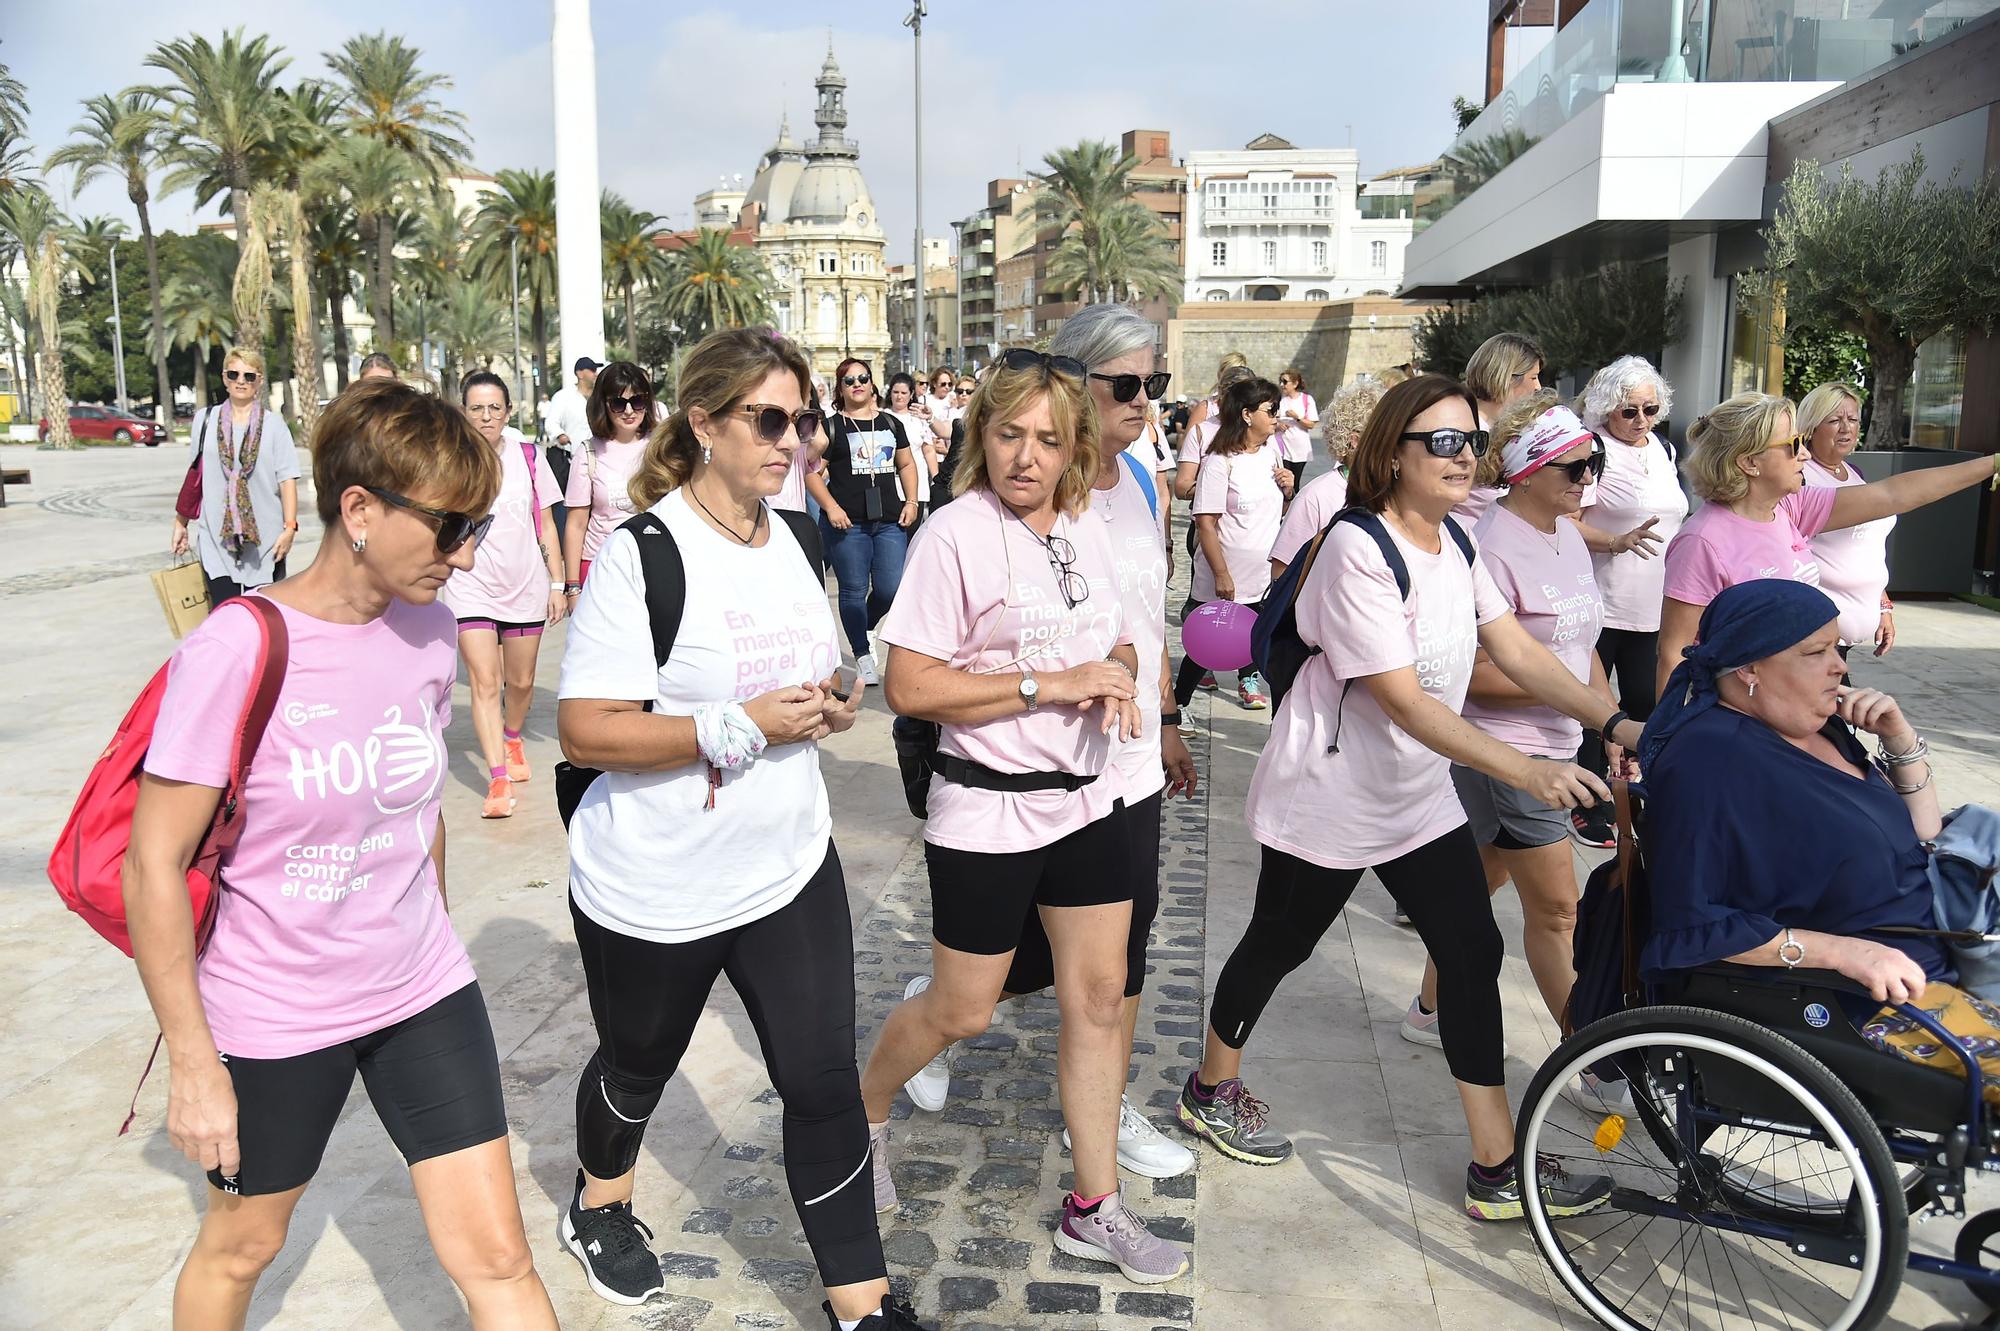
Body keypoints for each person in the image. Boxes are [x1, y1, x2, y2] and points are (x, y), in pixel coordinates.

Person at [127, 378, 559, 1330]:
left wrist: (425, 927)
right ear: (358, 509)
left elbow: (416, 809)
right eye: (451, 527)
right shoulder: (238, 649)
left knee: (498, 1258)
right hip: (276, 1008)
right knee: (243, 1247)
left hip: (421, 990)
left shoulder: (430, 630)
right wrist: (196, 1064)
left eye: (479, 526)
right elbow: (152, 863)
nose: (468, 554)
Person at [1182, 374, 1642, 1223]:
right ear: (1392, 455)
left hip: (1416, 795)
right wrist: (1523, 767)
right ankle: (1211, 1085)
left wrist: (1616, 722)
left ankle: (1497, 1168)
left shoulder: (1457, 544)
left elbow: (1522, 651)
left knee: (1470, 952)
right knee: (1280, 942)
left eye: (1471, 440)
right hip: (1330, 793)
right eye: (1444, 442)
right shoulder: (1359, 545)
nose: (1465, 455)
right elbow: (1404, 698)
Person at [554, 330, 922, 1331]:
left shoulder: (799, 536)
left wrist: (830, 701)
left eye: (803, 421)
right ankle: (598, 1200)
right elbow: (586, 727)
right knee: (638, 1063)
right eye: (769, 419)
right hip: (656, 878)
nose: (795, 440)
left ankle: (862, 1304)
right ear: (705, 421)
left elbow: (811, 669)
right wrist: (739, 724)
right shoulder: (644, 555)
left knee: (818, 1081)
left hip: (786, 861)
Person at [858, 348, 1190, 1284]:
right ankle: (867, 1108)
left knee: (1096, 997)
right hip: (987, 810)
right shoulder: (954, 534)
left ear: (1074, 446)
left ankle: (1096, 1205)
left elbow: (1116, 631)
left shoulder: (1085, 523)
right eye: (1010, 433)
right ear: (982, 436)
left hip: (1088, 800)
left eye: (1048, 437)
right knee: (963, 1009)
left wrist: (1119, 678)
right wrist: (1052, 682)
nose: (1028, 456)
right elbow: (909, 682)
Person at [1636, 578, 2000, 1095]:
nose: (1841, 667)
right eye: (1816, 652)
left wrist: (1899, 740)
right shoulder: (1711, 760)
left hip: (1947, 956)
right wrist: (1847, 954)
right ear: (1750, 668)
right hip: (1863, 1003)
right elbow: (1692, 924)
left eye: (1837, 647)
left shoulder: (1819, 728)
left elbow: (1921, 839)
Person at [1400, 396, 1624, 1110]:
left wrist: (1608, 724)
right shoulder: (1490, 543)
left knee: (1480, 884)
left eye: (1596, 463)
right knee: (1558, 910)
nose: (1589, 477)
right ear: (1527, 472)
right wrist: (1563, 700)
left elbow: (1579, 643)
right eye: (1576, 466)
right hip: (1509, 753)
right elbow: (1481, 670)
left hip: (1560, 743)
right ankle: (1586, 1054)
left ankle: (1427, 1011)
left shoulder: (1565, 529)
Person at [1658, 391, 2000, 699]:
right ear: (1749, 462)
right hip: (1748, 717)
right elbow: (1675, 652)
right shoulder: (1703, 541)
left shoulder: (1789, 509)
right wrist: (1669, 744)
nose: (1805, 454)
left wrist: (1993, 463)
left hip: (1801, 700)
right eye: (1793, 445)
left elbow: (1894, 494)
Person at [1566, 355, 1686, 846]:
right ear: (1605, 410)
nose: (1641, 420)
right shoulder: (1592, 451)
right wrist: (1614, 542)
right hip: (1602, 600)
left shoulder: (1663, 448)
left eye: (1650, 409)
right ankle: (1588, 805)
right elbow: (1564, 520)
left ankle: (1634, 800)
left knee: (1644, 705)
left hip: (1655, 603)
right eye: (1628, 411)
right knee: (1594, 708)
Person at [444, 371, 566, 820]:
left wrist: (557, 583)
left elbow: (548, 524)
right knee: (484, 682)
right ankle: (496, 777)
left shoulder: (530, 458)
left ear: (509, 412)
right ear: (464, 412)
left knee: (522, 682)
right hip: (470, 584)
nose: (486, 416)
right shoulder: (450, 462)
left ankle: (512, 735)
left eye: (495, 407)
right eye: (477, 408)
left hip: (525, 583)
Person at [1174, 375, 1292, 710]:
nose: (1276, 417)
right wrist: (1222, 575)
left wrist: (1288, 491)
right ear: (1246, 415)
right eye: (1271, 410)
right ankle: (1177, 710)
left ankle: (1256, 690)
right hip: (1224, 577)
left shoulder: (1271, 454)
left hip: (1262, 575)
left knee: (1256, 643)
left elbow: (1276, 512)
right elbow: (1206, 524)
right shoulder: (1218, 461)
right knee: (1204, 650)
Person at [807, 358, 921, 686]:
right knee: (854, 590)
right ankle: (862, 653)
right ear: (840, 389)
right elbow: (811, 472)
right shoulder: (831, 427)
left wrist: (911, 501)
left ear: (872, 384)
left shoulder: (890, 423)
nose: (857, 384)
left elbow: (907, 464)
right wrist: (830, 507)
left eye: (863, 378)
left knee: (890, 587)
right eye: (849, 380)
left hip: (889, 520)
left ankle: (866, 626)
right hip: (848, 524)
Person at [171, 347, 301, 607]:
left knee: (264, 618)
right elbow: (195, 476)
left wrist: (289, 528)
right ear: (224, 378)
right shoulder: (204, 420)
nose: (241, 381)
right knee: (224, 618)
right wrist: (181, 523)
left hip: (266, 541)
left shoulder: (275, 426)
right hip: (215, 537)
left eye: (249, 376)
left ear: (260, 381)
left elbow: (287, 480)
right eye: (234, 374)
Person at [1798, 381, 1896, 661]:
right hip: (1816, 635)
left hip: (1848, 634)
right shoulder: (1800, 477)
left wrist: (1883, 605)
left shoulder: (1855, 473)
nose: (1846, 428)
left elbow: (1868, 547)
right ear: (1811, 427)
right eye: (1834, 420)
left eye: (1852, 419)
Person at [561, 360, 654, 593]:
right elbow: (576, 523)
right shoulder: (588, 452)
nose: (630, 411)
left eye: (637, 401)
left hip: (653, 564)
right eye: (619, 403)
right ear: (604, 405)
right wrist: (572, 586)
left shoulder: (662, 446)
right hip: (600, 566)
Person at [1454, 332, 1544, 526]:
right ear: (1508, 378)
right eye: (1534, 377)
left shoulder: (1507, 428)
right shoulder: (1465, 430)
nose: (1538, 387)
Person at [1171, 355, 1252, 502]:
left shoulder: (1255, 421)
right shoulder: (1206, 409)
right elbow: (1189, 448)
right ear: (1221, 374)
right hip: (1207, 500)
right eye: (1231, 372)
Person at [546, 356, 601, 541]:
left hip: (596, 458)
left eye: (595, 370)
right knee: (569, 503)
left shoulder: (599, 398)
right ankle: (565, 542)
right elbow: (551, 422)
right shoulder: (563, 397)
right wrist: (560, 435)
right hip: (568, 459)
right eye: (591, 370)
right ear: (579, 373)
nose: (595, 374)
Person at [885, 371, 939, 519]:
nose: (899, 396)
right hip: (889, 487)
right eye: (895, 392)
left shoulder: (918, 418)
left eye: (903, 392)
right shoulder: (882, 416)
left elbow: (928, 450)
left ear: (911, 395)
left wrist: (936, 479)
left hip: (917, 487)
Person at [1275, 367, 1317, 494]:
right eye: (1281, 381)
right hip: (1283, 448)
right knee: (1283, 482)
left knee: (1295, 482)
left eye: (1285, 381)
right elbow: (1273, 420)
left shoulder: (1306, 400)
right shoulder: (1281, 401)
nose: (1282, 385)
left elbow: (1311, 424)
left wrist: (1296, 417)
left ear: (1295, 383)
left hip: (1300, 449)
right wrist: (1279, 424)